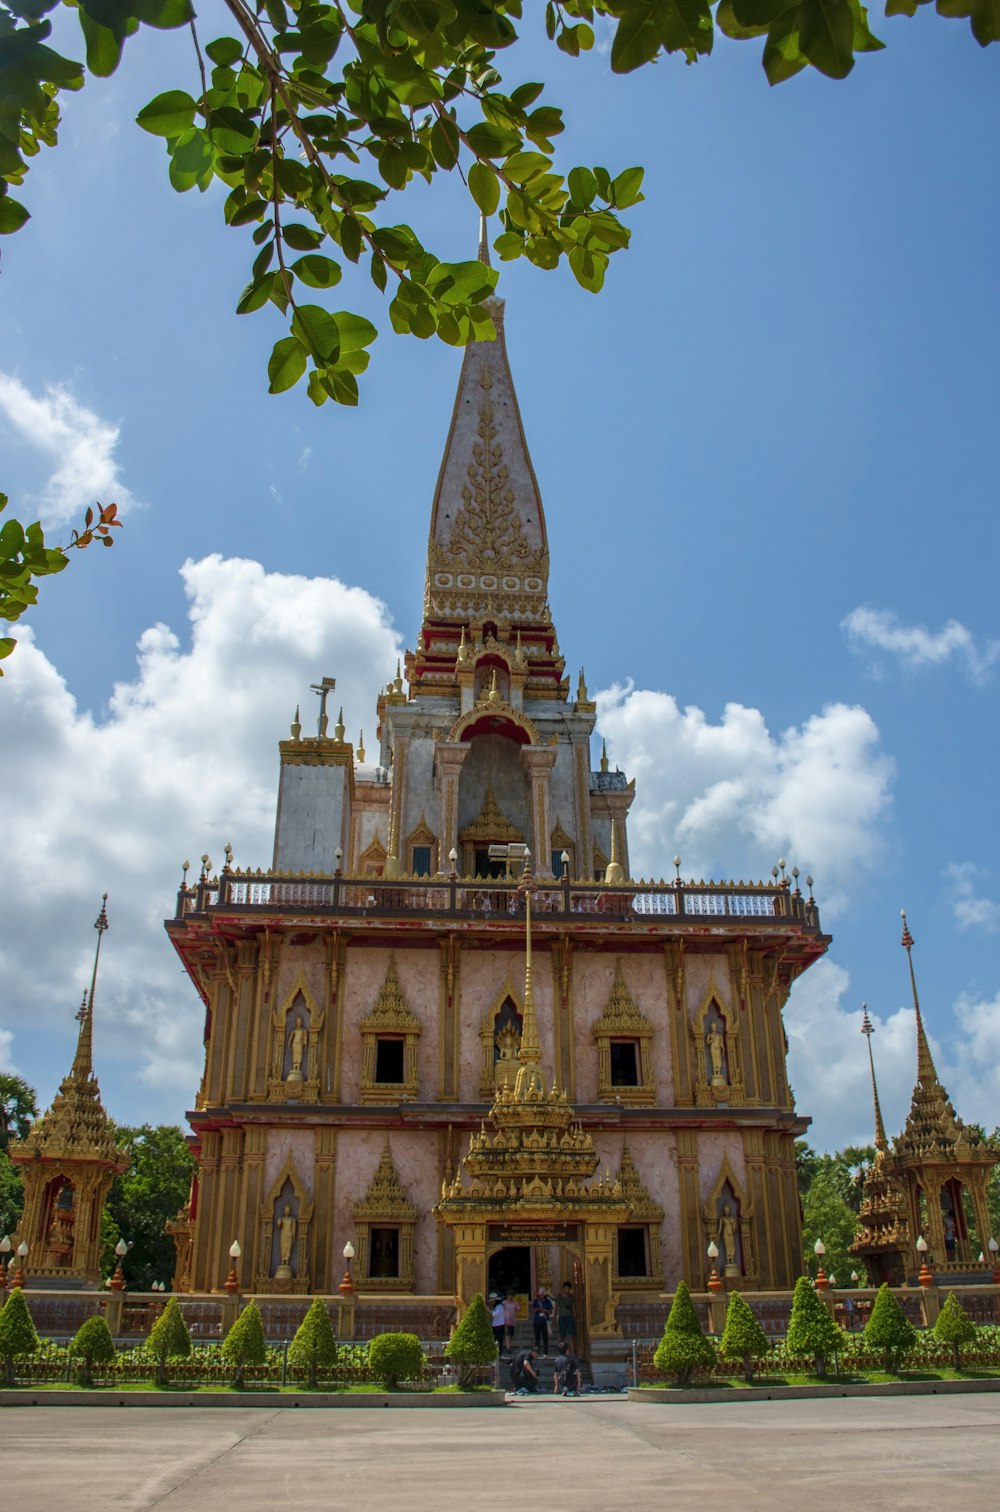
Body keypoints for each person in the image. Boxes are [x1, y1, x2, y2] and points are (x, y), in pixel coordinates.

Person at [531, 1286, 553, 1354]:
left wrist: (546, 1311)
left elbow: (550, 1311)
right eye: (540, 1294)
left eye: (543, 1293)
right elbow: (533, 1310)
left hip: (545, 1321)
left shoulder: (548, 1301)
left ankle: (545, 1353)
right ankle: (537, 1352)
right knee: (537, 1338)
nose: (541, 1295)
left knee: (545, 1338)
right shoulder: (536, 1301)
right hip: (537, 1321)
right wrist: (539, 1309)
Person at [557, 1281, 577, 1347]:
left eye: (568, 1289)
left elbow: (573, 1308)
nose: (566, 1290)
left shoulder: (571, 1298)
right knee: (562, 1336)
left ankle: (572, 1353)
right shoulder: (559, 1297)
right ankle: (561, 1351)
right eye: (565, 1289)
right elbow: (557, 1307)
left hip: (569, 1317)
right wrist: (556, 1317)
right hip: (562, 1317)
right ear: (563, 1288)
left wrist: (575, 1317)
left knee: (571, 1336)